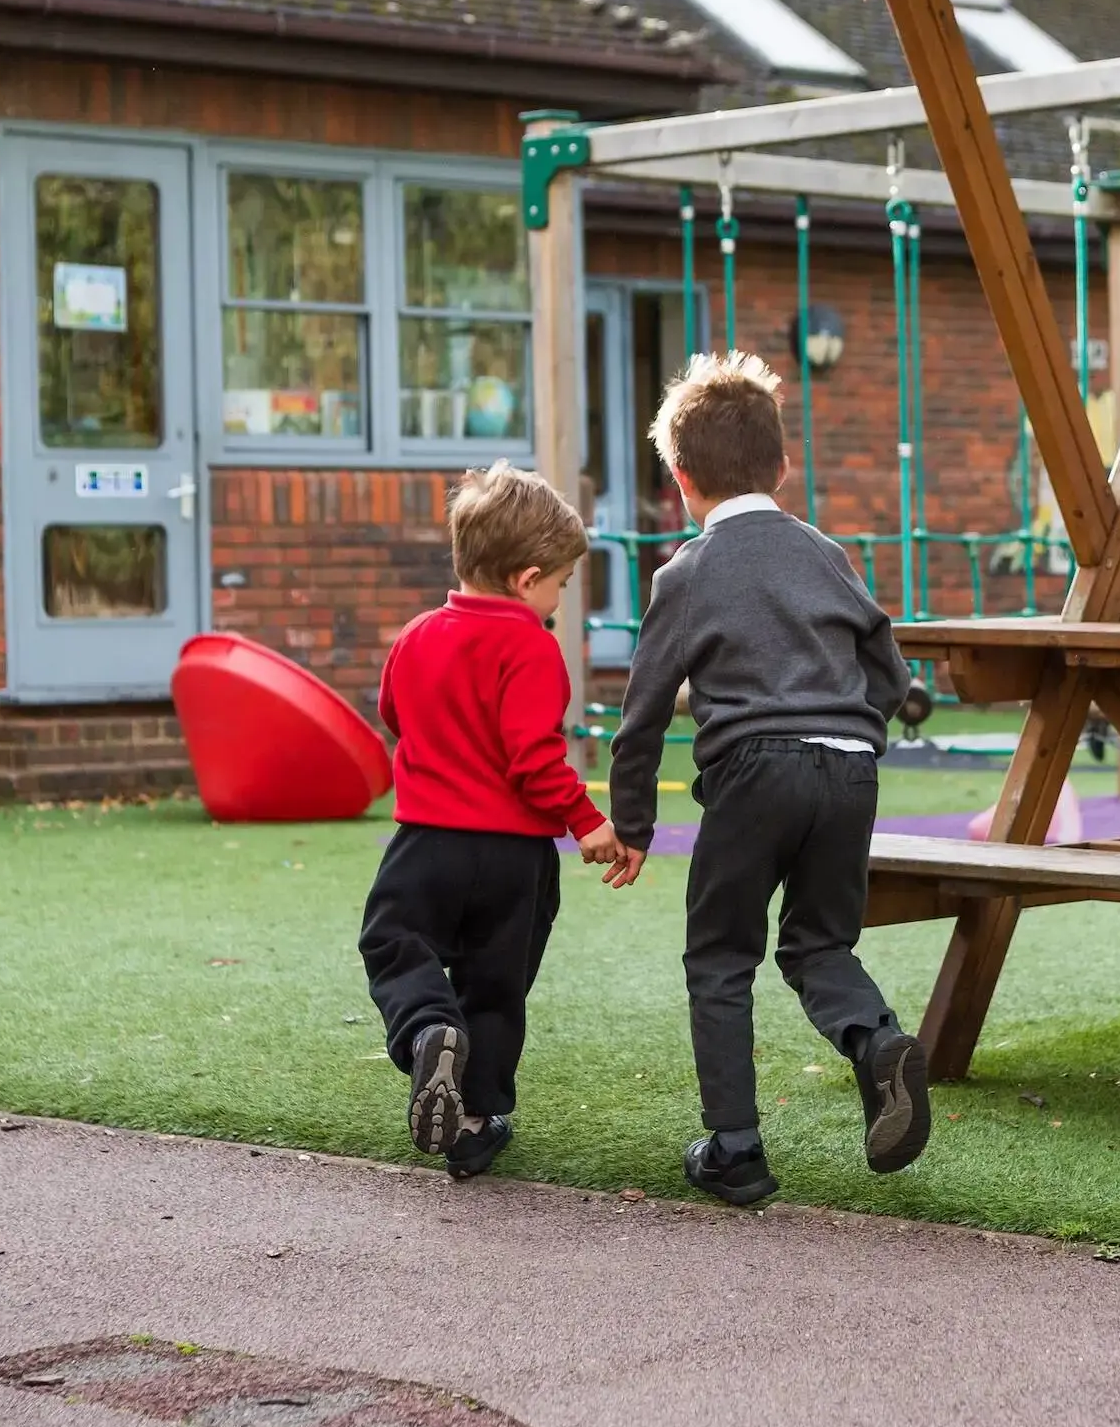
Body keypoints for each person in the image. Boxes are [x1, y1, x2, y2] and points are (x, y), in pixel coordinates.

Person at [606, 350, 930, 1207]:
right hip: (850, 769)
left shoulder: (686, 573)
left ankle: (735, 1149)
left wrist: (632, 823)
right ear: (784, 467)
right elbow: (886, 666)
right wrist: (880, 718)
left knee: (721, 955)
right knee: (820, 944)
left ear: (681, 479)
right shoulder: (826, 554)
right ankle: (877, 1044)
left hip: (754, 770)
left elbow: (640, 717)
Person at [358, 464, 626, 1181]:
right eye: (559, 587)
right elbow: (534, 759)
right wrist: (587, 822)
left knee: (394, 941)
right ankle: (475, 1122)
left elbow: (393, 715)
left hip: (427, 844)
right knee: (496, 984)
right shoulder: (532, 648)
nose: (558, 602)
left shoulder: (417, 636)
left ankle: (426, 1033)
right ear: (525, 578)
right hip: (514, 860)